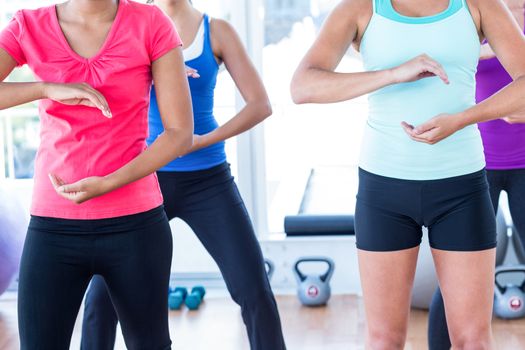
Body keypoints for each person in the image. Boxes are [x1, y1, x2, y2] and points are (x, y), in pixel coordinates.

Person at [291, 0, 525, 348]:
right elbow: (303, 86)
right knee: (385, 339)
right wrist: (394, 73)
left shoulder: (479, 5)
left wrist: (463, 118)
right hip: (384, 189)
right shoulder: (360, 8)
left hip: (462, 185)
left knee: (473, 339)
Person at [80, 1, 287, 350]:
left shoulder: (217, 30)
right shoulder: (125, 27)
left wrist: (203, 139)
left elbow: (259, 104)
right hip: (142, 178)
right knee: (101, 298)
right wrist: (156, 68)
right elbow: (98, 88)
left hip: (207, 180)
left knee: (254, 289)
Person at [0, 0, 194, 349]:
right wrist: (45, 88)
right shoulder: (29, 25)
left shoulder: (152, 23)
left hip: (136, 226)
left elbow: (179, 132)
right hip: (53, 226)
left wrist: (109, 183)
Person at [427, 1, 525, 349]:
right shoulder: (475, 24)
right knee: (456, 274)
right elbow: (438, 72)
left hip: (524, 166)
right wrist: (480, 52)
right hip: (476, 165)